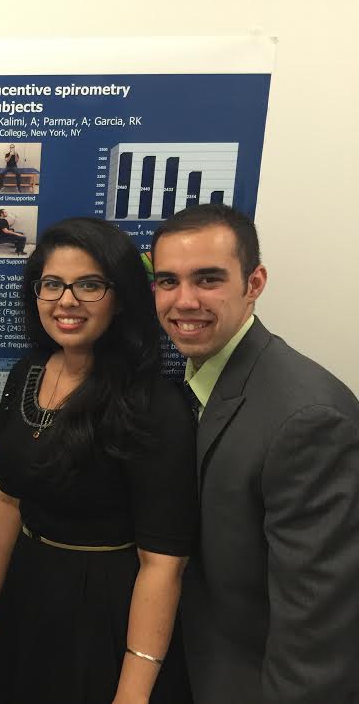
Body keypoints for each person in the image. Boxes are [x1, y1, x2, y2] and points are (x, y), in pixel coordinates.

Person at [0, 218, 197, 703]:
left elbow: (163, 564)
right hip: (29, 592)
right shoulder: (26, 371)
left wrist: (132, 694)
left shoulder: (152, 402)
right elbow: (9, 498)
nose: (66, 300)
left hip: (106, 612)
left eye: (89, 285)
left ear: (120, 298)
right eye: (52, 284)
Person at [151, 203, 359, 704]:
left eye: (207, 279)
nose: (184, 301)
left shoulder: (308, 419)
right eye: (167, 281)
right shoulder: (201, 379)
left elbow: (315, 638)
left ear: (254, 282)